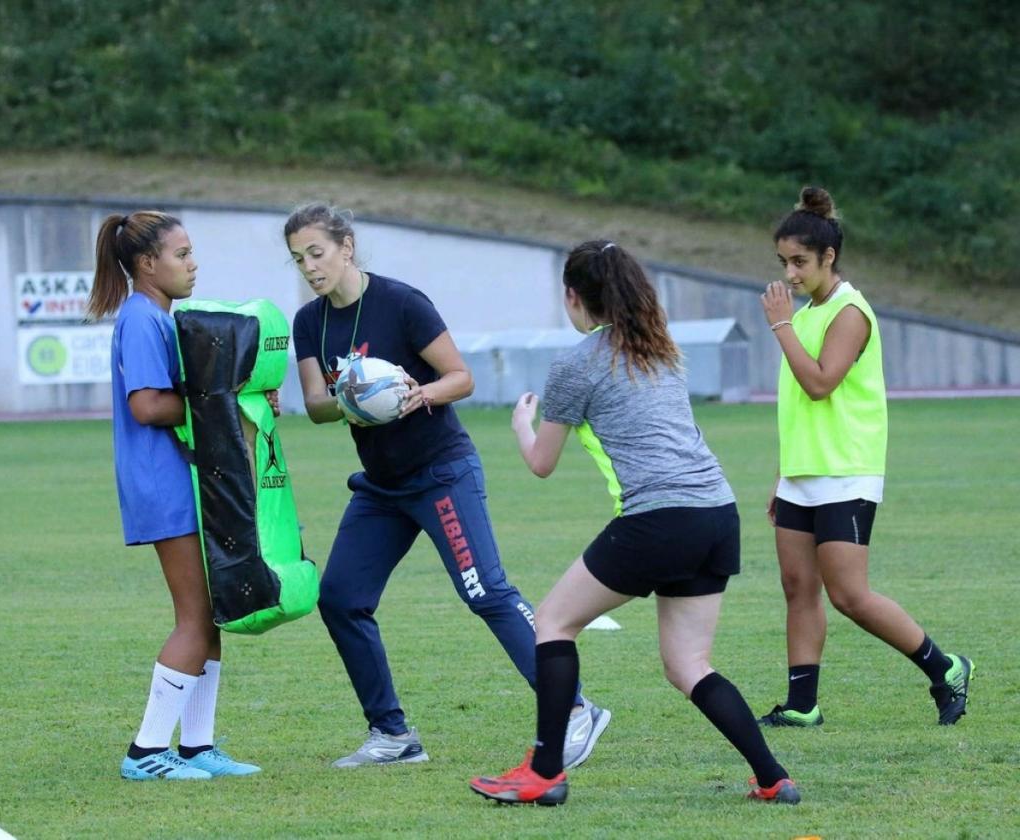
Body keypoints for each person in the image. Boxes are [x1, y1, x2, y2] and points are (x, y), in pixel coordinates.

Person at [470, 240, 800, 806]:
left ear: (574, 297)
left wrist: (522, 422)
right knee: (689, 664)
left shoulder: (575, 363)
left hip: (660, 517)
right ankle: (774, 778)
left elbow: (541, 463)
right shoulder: (661, 347)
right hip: (717, 515)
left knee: (551, 621)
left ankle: (544, 773)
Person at [285, 203, 610, 769]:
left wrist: (418, 394)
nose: (309, 267)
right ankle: (392, 735)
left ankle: (578, 708)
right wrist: (350, 399)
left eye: (316, 252)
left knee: (486, 591)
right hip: (382, 488)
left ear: (346, 246)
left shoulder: (401, 302)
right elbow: (315, 404)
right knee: (339, 598)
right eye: (298, 259)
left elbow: (461, 377)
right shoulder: (309, 321)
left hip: (440, 472)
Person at [757, 187, 973, 728]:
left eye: (799, 261)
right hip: (802, 475)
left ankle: (945, 668)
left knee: (850, 595)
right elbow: (797, 409)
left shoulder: (850, 312)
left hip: (846, 473)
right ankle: (803, 705)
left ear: (829, 257)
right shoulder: (806, 312)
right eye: (783, 262)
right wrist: (784, 474)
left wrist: (780, 326)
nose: (790, 273)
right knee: (797, 588)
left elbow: (821, 385)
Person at [88, 210, 261, 780]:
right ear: (146, 264)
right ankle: (145, 752)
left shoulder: (163, 316)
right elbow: (148, 404)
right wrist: (223, 405)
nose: (193, 264)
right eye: (181, 254)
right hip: (164, 487)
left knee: (209, 617)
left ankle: (196, 747)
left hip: (185, 482)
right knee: (195, 619)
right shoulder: (141, 319)